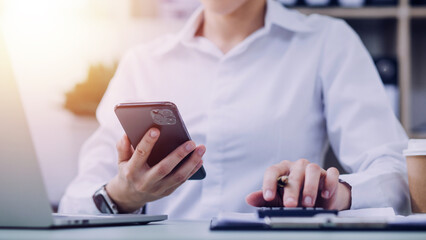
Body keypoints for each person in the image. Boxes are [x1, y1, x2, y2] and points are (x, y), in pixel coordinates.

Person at [59, 0, 410, 218]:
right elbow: (76, 200)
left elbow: (396, 175)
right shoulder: (144, 62)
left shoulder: (328, 43)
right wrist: (123, 195)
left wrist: (337, 193)